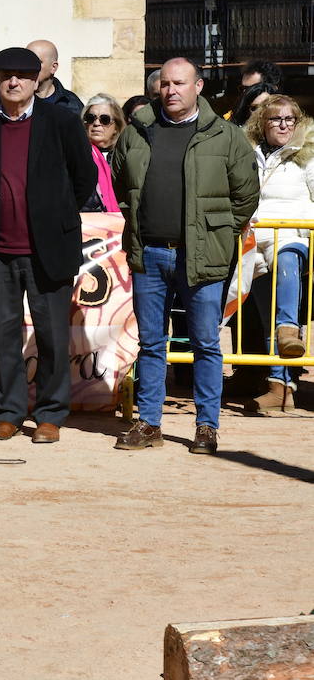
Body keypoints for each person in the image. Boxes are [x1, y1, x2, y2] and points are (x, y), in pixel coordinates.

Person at [113, 57, 259, 454]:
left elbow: (246, 194)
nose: (171, 90)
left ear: (198, 87)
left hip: (203, 256)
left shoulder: (226, 136)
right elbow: (121, 184)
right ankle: (149, 424)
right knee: (151, 343)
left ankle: (207, 426)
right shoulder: (137, 132)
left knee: (206, 343)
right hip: (151, 254)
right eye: (165, 84)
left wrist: (220, 234)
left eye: (179, 83)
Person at [0, 47, 96, 443]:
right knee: (2, 335)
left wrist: (53, 216)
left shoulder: (62, 122)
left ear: (37, 80)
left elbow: (83, 177)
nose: (14, 82)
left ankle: (51, 414)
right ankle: (9, 412)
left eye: (22, 75)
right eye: (6, 75)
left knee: (53, 334)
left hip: (48, 248)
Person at [241, 96, 314, 412]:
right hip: (256, 243)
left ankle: (289, 329)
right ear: (262, 123)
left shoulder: (307, 157)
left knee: (287, 263)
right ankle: (279, 389)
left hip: (293, 235)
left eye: (290, 119)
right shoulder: (249, 155)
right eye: (276, 119)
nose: (284, 125)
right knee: (265, 315)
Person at [80, 94, 123, 212]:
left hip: (120, 224)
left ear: (116, 127)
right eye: (90, 118)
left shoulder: (124, 156)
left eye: (105, 119)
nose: (97, 123)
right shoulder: (76, 155)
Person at [26, 39, 83, 116]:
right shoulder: (15, 99)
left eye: (37, 62)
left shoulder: (71, 104)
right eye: (27, 62)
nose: (30, 66)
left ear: (53, 67)